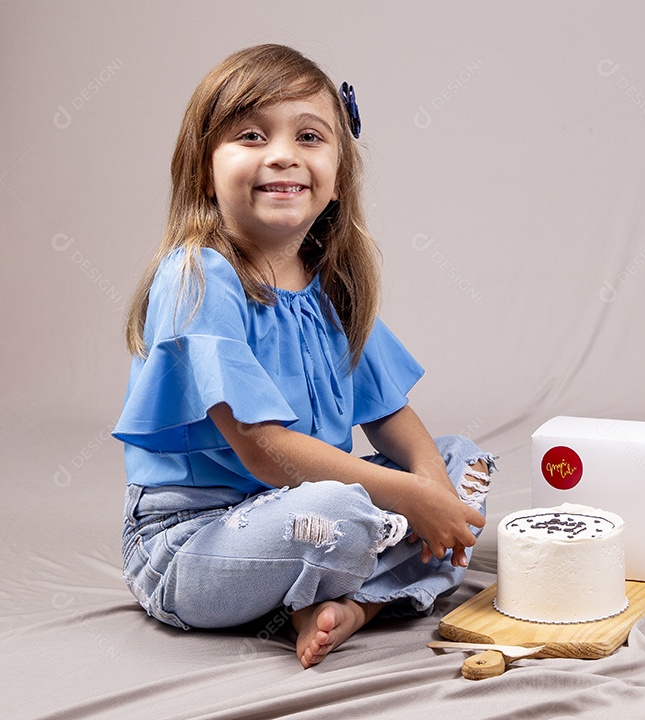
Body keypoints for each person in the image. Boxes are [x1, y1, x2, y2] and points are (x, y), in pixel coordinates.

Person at [113, 44, 495, 669]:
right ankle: (367, 582)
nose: (283, 154)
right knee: (339, 509)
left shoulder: (331, 285)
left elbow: (391, 415)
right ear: (203, 168)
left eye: (310, 136)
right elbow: (262, 448)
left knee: (463, 462)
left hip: (307, 509)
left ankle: (349, 605)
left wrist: (429, 483)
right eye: (252, 135)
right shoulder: (198, 277)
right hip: (196, 543)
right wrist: (412, 502)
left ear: (339, 175)